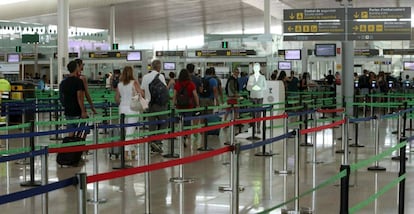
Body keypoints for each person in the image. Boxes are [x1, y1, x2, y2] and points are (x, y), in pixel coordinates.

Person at [115, 66, 144, 160]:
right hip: (132, 109)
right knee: (130, 131)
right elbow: (141, 94)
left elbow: (116, 98)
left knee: (127, 130)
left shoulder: (119, 84)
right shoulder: (134, 83)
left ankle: (132, 151)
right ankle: (126, 153)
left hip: (122, 109)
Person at [141, 59, 168, 154]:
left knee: (152, 124)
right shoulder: (160, 76)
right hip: (160, 104)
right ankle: (158, 141)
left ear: (152, 66)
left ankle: (152, 143)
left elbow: (142, 92)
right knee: (164, 122)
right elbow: (165, 90)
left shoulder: (145, 77)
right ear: (159, 67)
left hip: (149, 104)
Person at [59, 60, 87, 137]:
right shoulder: (78, 81)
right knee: (81, 131)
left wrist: (65, 105)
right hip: (77, 110)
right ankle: (79, 147)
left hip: (68, 110)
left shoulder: (63, 82)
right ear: (76, 68)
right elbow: (79, 97)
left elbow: (61, 97)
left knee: (71, 131)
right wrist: (83, 111)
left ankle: (71, 147)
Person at [172, 68, 200, 145]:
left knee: (181, 121)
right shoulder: (191, 84)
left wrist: (173, 105)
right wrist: (197, 105)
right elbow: (195, 95)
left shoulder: (177, 84)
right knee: (187, 122)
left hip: (179, 106)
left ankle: (182, 135)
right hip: (189, 106)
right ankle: (186, 135)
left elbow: (174, 96)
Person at [246, 63, 267, 133]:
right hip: (253, 96)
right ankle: (253, 127)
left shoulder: (262, 77)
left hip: (260, 96)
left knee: (259, 113)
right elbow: (248, 87)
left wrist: (259, 88)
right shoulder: (251, 77)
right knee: (253, 113)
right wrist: (253, 87)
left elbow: (265, 87)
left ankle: (258, 127)